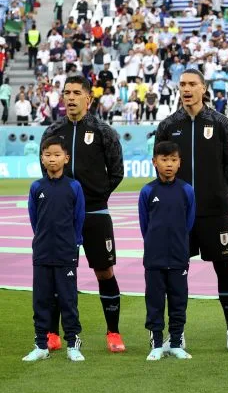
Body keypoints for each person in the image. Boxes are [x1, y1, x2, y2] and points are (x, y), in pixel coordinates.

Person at [155, 69, 228, 353]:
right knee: (176, 272)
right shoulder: (169, 125)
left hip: (214, 212)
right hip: (178, 215)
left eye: (192, 84)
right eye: (182, 84)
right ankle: (177, 334)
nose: (187, 89)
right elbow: (159, 163)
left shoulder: (220, 123)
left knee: (224, 268)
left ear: (204, 88)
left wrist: (218, 193)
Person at [41, 75, 126, 353]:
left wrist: (97, 195)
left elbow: (116, 171)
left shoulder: (103, 131)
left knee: (104, 271)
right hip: (61, 216)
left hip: (95, 213)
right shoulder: (53, 132)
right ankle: (53, 333)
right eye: (67, 92)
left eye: (77, 92)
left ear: (88, 98)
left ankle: (113, 332)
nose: (71, 97)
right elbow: (47, 170)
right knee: (58, 271)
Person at [23, 137, 85, 362]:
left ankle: (72, 344)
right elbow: (34, 219)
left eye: (57, 155)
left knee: (68, 299)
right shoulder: (37, 187)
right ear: (42, 157)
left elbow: (78, 219)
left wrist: (72, 243)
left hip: (66, 251)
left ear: (66, 158)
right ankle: (41, 344)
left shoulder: (74, 187)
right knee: (41, 299)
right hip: (42, 252)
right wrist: (42, 238)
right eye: (47, 155)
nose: (52, 159)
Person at [140, 141, 196, 361]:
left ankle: (175, 343)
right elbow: (145, 225)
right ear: (155, 162)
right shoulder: (147, 191)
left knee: (178, 300)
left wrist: (178, 243)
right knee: (154, 301)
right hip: (154, 257)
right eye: (164, 160)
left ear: (180, 163)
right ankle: (155, 343)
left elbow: (188, 223)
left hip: (179, 256)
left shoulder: (186, 190)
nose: (169, 164)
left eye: (173, 160)